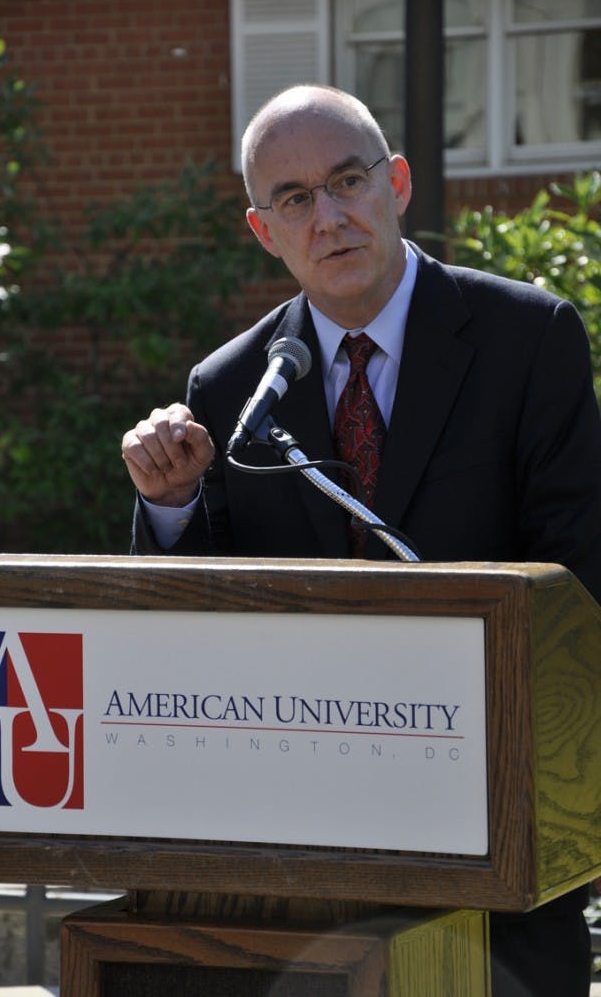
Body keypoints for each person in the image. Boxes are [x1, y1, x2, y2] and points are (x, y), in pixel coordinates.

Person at [121, 84, 601, 996]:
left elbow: (580, 575)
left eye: (348, 181)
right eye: (295, 199)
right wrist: (172, 505)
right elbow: (190, 628)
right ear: (264, 231)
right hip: (310, 853)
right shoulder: (231, 389)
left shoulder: (528, 339)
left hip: (496, 828)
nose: (329, 218)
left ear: (398, 184)